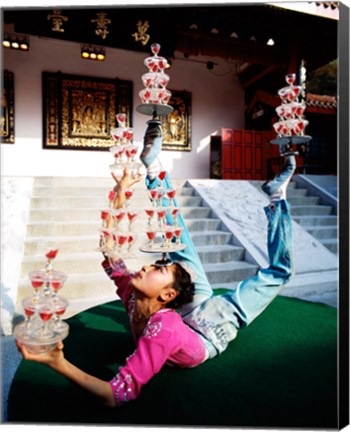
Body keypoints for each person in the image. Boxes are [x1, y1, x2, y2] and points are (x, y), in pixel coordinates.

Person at [17, 119, 295, 408]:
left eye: (155, 269)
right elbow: (109, 248)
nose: (145, 266)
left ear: (167, 295)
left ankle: (277, 196)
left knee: (279, 272)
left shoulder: (162, 328)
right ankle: (153, 167)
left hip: (207, 329)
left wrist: (57, 362)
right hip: (190, 315)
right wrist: (122, 189)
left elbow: (115, 395)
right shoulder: (134, 294)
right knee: (177, 242)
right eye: (153, 266)